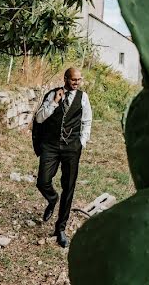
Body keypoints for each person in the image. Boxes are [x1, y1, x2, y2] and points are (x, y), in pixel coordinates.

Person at [34, 67, 92, 248]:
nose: (77, 82)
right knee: (42, 181)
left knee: (69, 187)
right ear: (66, 78)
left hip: (72, 148)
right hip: (51, 146)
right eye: (74, 79)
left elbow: (87, 121)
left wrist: (82, 141)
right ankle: (52, 198)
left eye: (79, 80)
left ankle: (60, 228)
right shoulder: (53, 94)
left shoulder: (83, 97)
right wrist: (54, 103)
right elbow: (39, 119)